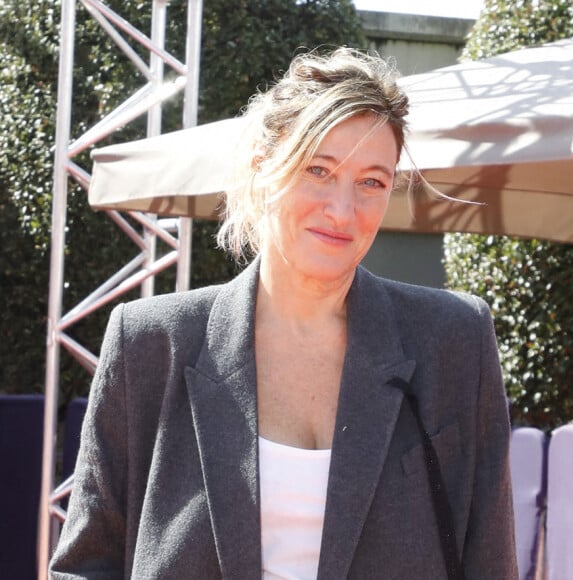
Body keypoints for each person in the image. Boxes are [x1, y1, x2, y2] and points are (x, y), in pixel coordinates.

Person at [50, 48, 518, 579]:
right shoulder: (150, 343)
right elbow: (86, 566)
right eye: (318, 170)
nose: (343, 211)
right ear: (263, 169)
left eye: (372, 182)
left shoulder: (452, 339)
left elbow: (490, 561)